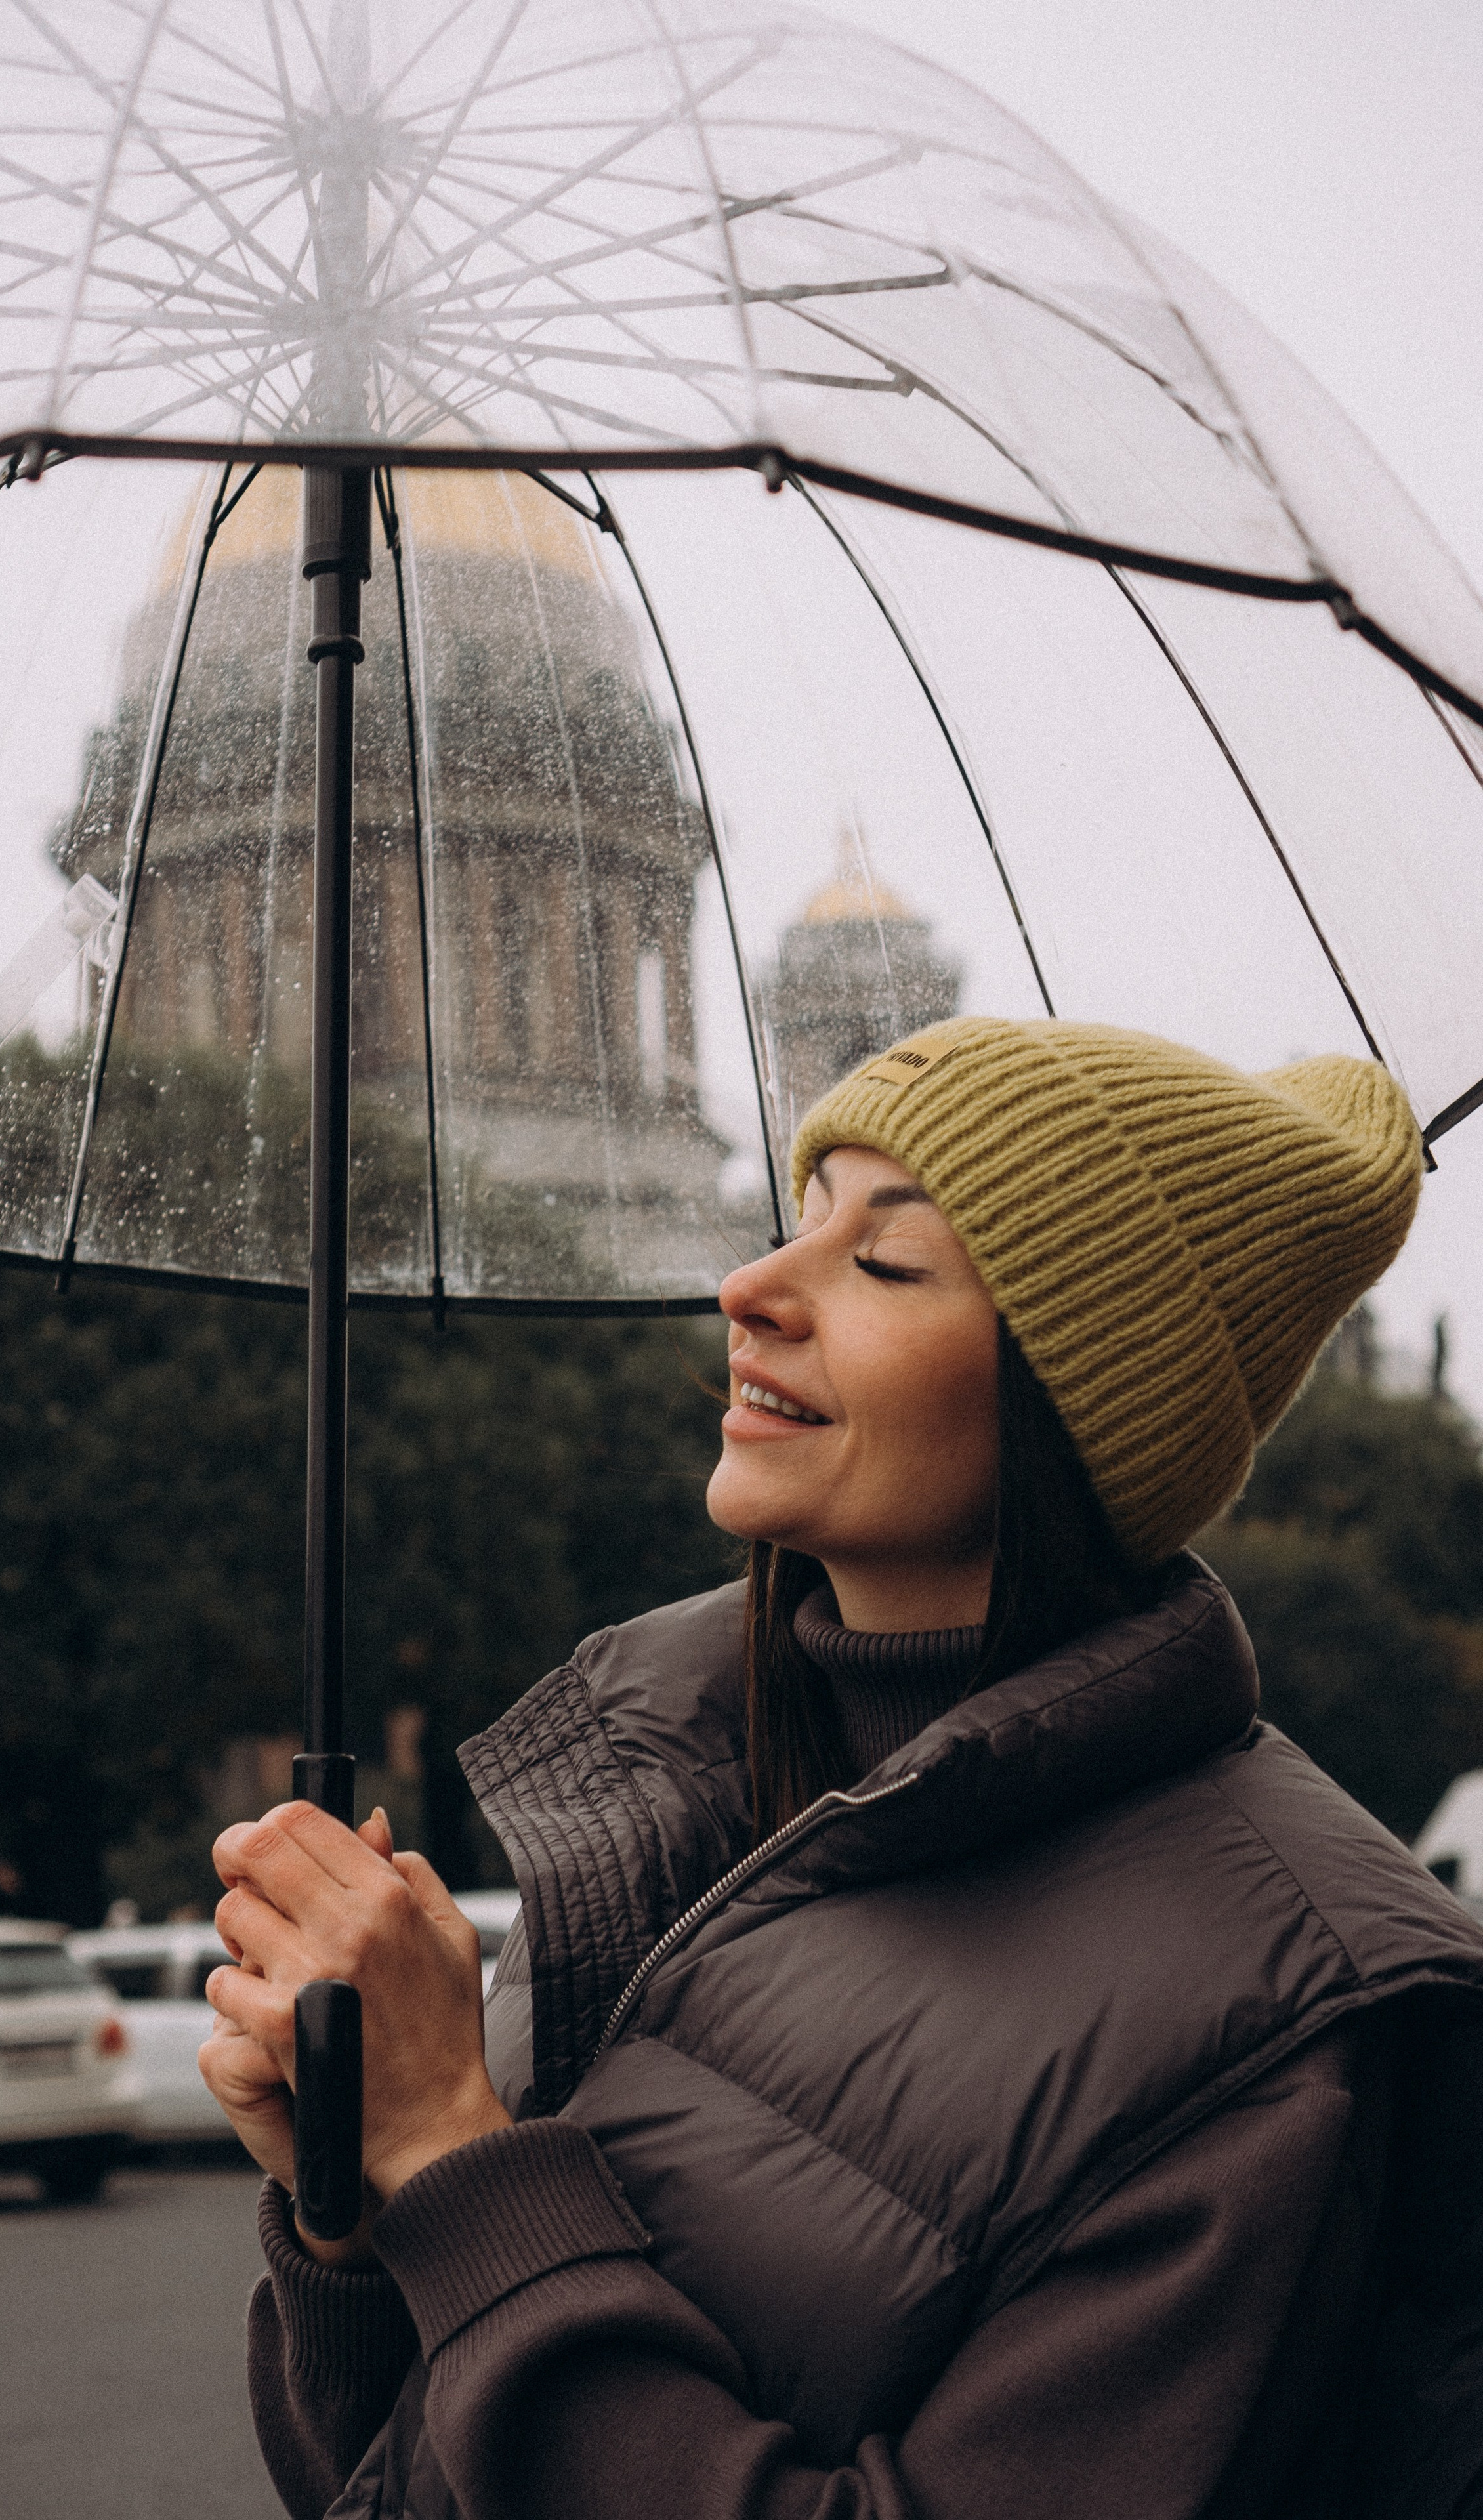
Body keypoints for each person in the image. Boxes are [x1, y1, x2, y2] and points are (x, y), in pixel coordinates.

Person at [199, 1017, 1483, 2520]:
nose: (746, 1292)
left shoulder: (1281, 2015)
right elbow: (388, 2479)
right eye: (792, 1225)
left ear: (1079, 1408)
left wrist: (453, 2160)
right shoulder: (660, 1806)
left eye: (882, 1262)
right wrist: (356, 2216)